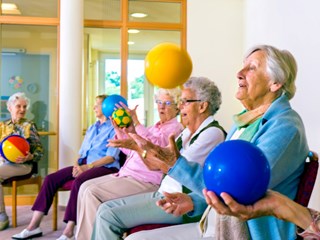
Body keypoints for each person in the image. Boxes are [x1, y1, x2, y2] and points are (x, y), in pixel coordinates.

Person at [99, 45, 309, 240]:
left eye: (251, 68)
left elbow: (243, 190)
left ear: (275, 83)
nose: (239, 73)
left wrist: (174, 163)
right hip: (215, 222)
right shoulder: (244, 122)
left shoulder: (284, 126)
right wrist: (194, 202)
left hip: (246, 232)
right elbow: (223, 185)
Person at [91, 76, 227, 239]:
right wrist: (134, 137)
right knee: (104, 209)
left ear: (203, 106)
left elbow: (174, 167)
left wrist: (137, 145)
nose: (180, 106)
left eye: (185, 102)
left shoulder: (212, 133)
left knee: (108, 217)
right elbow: (153, 165)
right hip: (163, 192)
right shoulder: (186, 132)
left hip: (179, 200)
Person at [75, 87, 185, 240]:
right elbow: (131, 152)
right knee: (84, 187)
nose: (161, 106)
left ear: (177, 107)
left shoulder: (175, 128)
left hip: (146, 180)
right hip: (128, 174)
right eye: (159, 102)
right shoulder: (154, 126)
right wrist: (121, 131)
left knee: (91, 193)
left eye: (167, 102)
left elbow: (155, 149)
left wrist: (137, 124)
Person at [12, 94, 121, 240]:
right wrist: (77, 165)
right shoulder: (92, 127)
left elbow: (111, 157)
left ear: (107, 107)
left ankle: (69, 231)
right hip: (85, 165)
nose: (94, 107)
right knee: (50, 179)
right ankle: (33, 226)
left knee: (79, 181)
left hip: (106, 168)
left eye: (98, 104)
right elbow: (82, 153)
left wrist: (87, 167)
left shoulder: (115, 128)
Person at [202, 151, 320, 239]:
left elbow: (242, 177)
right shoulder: (239, 127)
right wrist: (279, 205)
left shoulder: (285, 125)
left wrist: (279, 205)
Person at [0, 92, 44, 231]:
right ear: (9, 107)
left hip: (24, 165)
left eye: (24, 107)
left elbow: (39, 151)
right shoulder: (2, 126)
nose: (22, 110)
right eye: (18, 106)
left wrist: (30, 157)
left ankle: (2, 216)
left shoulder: (29, 126)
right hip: (5, 164)